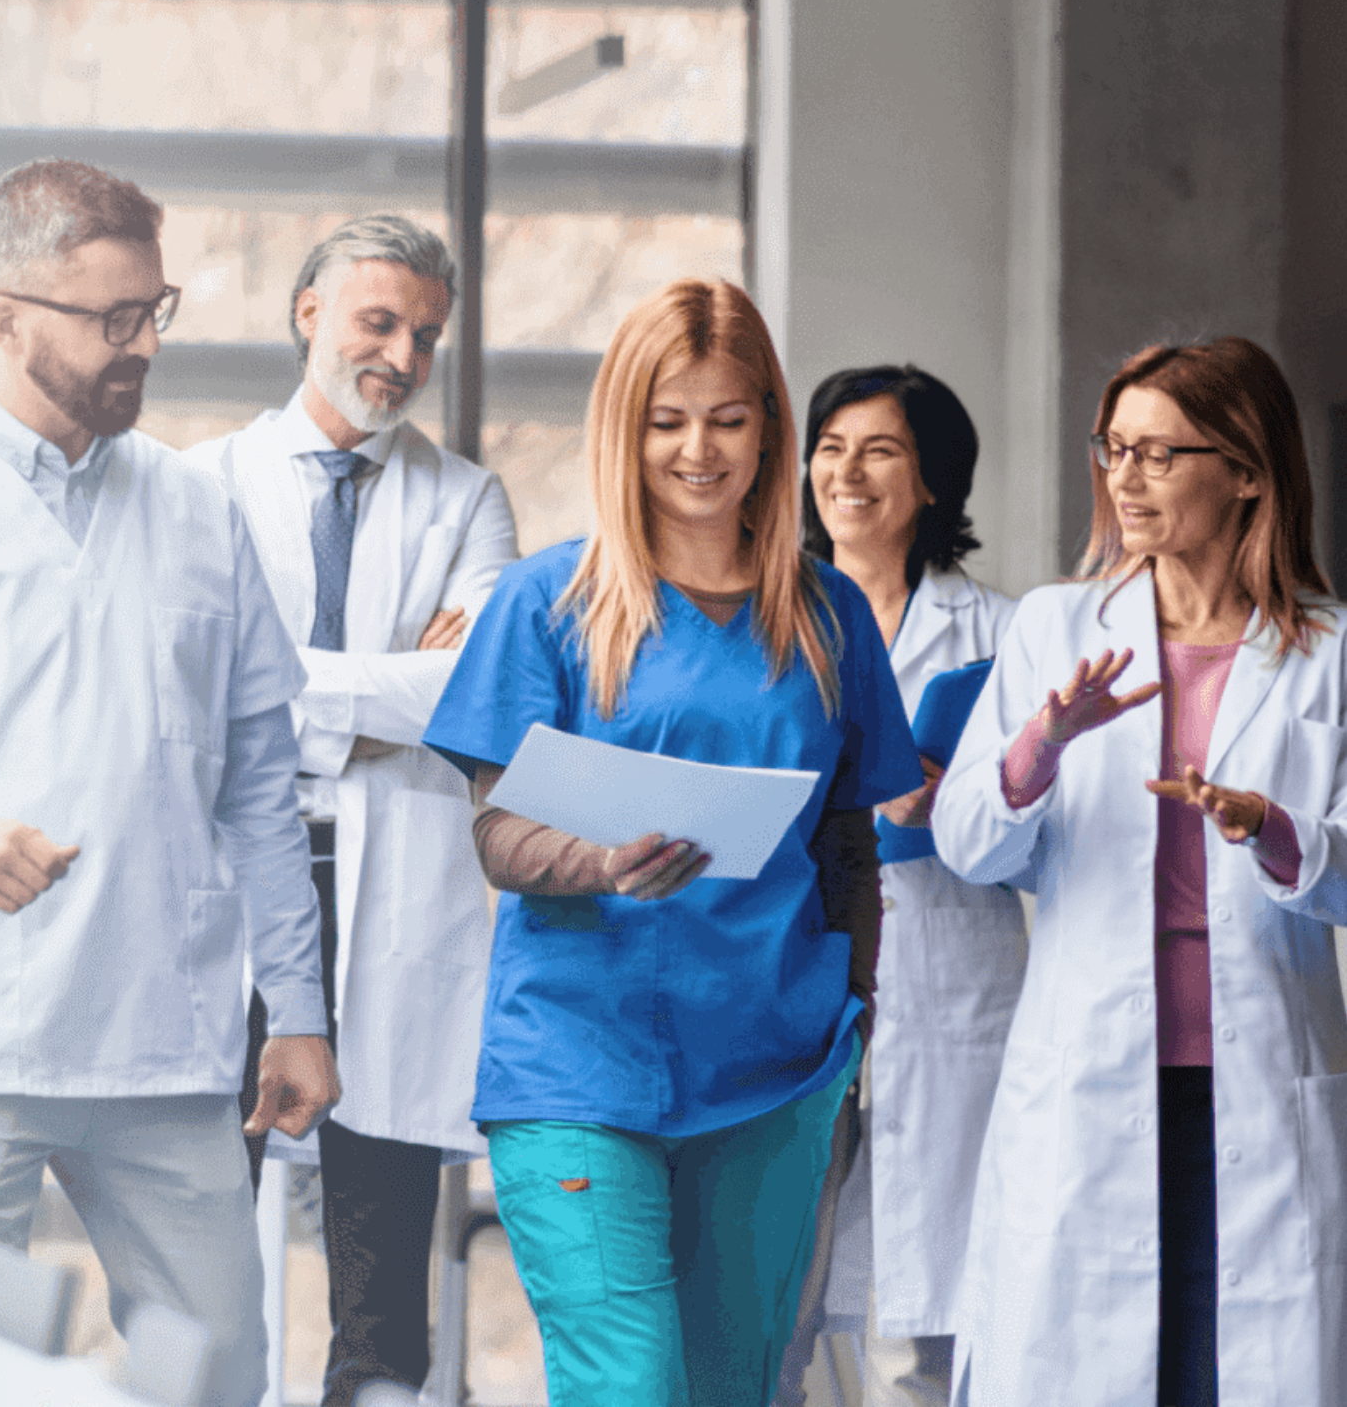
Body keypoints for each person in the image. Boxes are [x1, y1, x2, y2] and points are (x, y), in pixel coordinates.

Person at [0, 158, 338, 1407]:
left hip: (165, 1048)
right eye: (110, 319)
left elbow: (259, 790)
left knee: (227, 1375)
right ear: (5, 320)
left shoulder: (196, 512)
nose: (143, 348)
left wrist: (297, 1008)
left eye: (154, 312)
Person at [421, 278, 924, 1407]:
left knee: (733, 1388)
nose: (699, 450)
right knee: (630, 1384)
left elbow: (851, 848)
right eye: (667, 420)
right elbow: (497, 833)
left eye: (729, 419)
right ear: (624, 428)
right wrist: (599, 864)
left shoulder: (828, 615)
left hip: (776, 1070)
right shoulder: (547, 602)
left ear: (768, 429)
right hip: (577, 1059)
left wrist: (851, 1029)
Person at [932, 337, 1347, 1407]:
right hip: (1089, 1076)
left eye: (1161, 455)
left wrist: (1270, 826)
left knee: (1233, 1373)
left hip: (1256, 1084)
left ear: (1248, 468)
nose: (1126, 477)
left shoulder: (1329, 652)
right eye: (1114, 450)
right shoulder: (1058, 628)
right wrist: (1043, 743)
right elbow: (969, 840)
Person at [187, 214, 518, 1406]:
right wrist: (383, 696)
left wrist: (273, 684)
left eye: (426, 335)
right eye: (380, 322)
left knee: (381, 1277)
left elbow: (473, 700)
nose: (404, 355)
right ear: (308, 313)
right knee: (196, 1239)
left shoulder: (469, 501)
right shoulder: (202, 485)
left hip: (394, 899)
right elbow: (189, 692)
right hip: (237, 889)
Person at [774, 367, 1027, 1407]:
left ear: (932, 479)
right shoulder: (767, 617)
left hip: (945, 968)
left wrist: (959, 803)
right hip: (794, 964)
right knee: (777, 1290)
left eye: (879, 449)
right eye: (830, 448)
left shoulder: (1008, 633)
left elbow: (1043, 823)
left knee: (925, 1318)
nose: (848, 471)